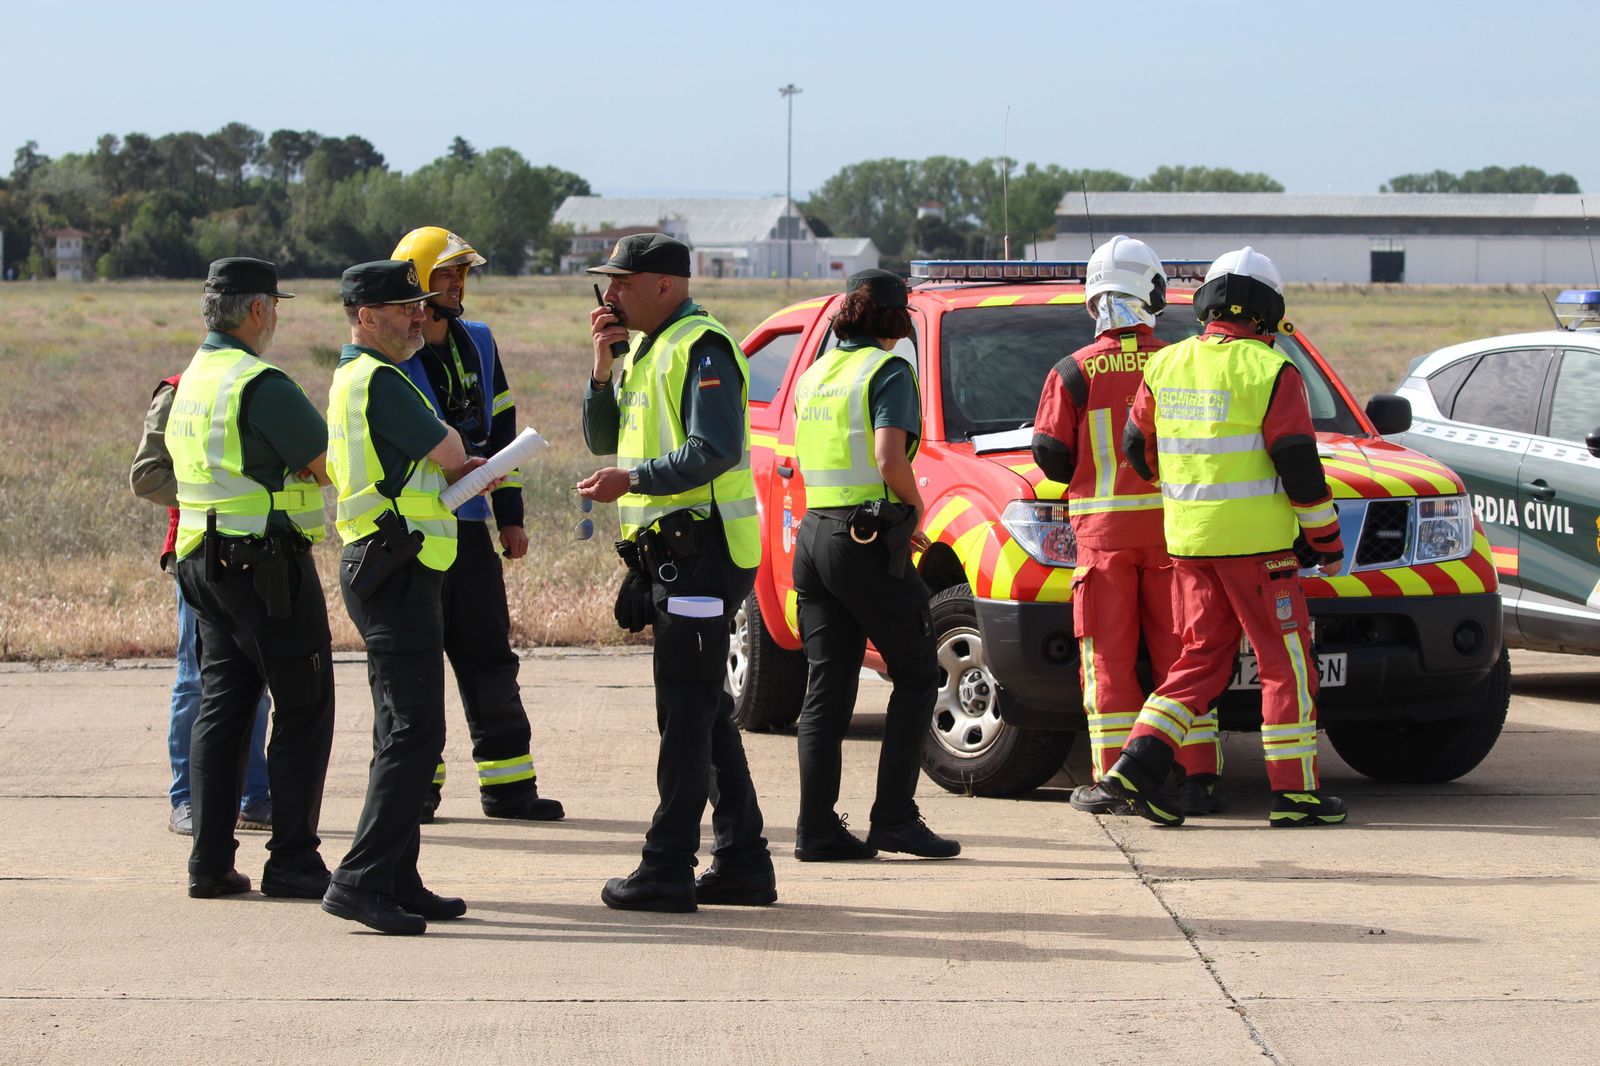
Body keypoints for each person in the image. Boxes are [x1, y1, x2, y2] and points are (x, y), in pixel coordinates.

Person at [1108, 247, 1348, 828]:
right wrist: (1327, 541)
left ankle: (1133, 768)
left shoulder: (1165, 366)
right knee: (1286, 664)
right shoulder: (1272, 370)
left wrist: (1189, 489)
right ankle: (1295, 794)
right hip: (1262, 552)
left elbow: (1135, 447)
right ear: (1268, 312)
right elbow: (1299, 467)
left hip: (1190, 544)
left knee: (1199, 662)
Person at [579, 233, 773, 912]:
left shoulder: (701, 345)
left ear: (665, 284)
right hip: (672, 555)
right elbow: (604, 437)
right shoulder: (648, 348)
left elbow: (713, 449)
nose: (611, 296)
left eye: (622, 283)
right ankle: (744, 858)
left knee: (686, 714)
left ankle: (666, 867)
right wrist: (600, 368)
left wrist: (634, 480)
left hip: (703, 554)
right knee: (704, 710)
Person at [1031, 236, 1224, 818]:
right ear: (1153, 292)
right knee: (1185, 658)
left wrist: (1090, 476)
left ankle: (1117, 781)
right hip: (1176, 536)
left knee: (1108, 664)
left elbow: (1048, 452)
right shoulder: (1177, 362)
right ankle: (1198, 779)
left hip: (1102, 539)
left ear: (1093, 299)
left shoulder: (1072, 371)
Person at [321, 260, 486, 935]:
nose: (419, 316)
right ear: (365, 315)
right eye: (403, 307)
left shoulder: (360, 378)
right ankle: (361, 879)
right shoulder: (381, 380)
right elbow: (449, 449)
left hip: (392, 565)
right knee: (417, 730)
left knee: (400, 727)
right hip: (397, 570)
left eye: (420, 305)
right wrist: (457, 456)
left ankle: (397, 875)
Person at [165, 257, 336, 899]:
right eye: (276, 305)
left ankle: (209, 864)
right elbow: (328, 466)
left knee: (224, 706)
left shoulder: (193, 378)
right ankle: (292, 860)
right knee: (305, 703)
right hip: (265, 566)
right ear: (258, 310)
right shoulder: (260, 382)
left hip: (201, 564)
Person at [389, 226, 563, 824]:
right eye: (446, 274)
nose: (459, 284)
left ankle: (510, 789)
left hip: (467, 529)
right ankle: (416, 792)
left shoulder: (481, 343)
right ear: (414, 281)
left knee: (490, 656)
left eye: (463, 273)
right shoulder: (388, 351)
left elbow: (503, 431)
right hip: (407, 537)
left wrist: (509, 518)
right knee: (417, 667)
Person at [789, 269, 959, 862]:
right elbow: (889, 456)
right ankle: (893, 819)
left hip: (813, 538)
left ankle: (816, 830)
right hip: (863, 540)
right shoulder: (888, 371)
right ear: (894, 319)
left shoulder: (817, 375)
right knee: (916, 674)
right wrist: (912, 508)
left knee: (827, 690)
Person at [131, 373, 274, 836]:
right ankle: (187, 799)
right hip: (196, 553)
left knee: (256, 680)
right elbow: (147, 475)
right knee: (196, 679)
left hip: (253, 553)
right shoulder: (177, 390)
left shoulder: (257, 385)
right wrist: (214, 495)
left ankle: (254, 796)